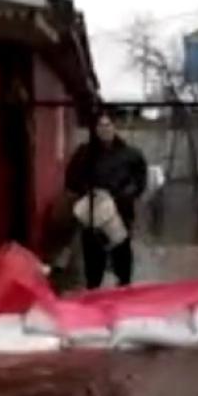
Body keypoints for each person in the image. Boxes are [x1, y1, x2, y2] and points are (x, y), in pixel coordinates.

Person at [66, 113, 147, 289]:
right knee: (93, 261)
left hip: (120, 214)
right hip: (92, 214)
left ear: (115, 127)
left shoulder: (131, 154)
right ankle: (94, 299)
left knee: (122, 258)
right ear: (95, 130)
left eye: (108, 125)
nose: (104, 129)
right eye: (100, 126)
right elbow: (71, 180)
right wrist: (88, 191)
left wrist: (123, 195)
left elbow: (140, 182)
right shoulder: (84, 153)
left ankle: (123, 293)